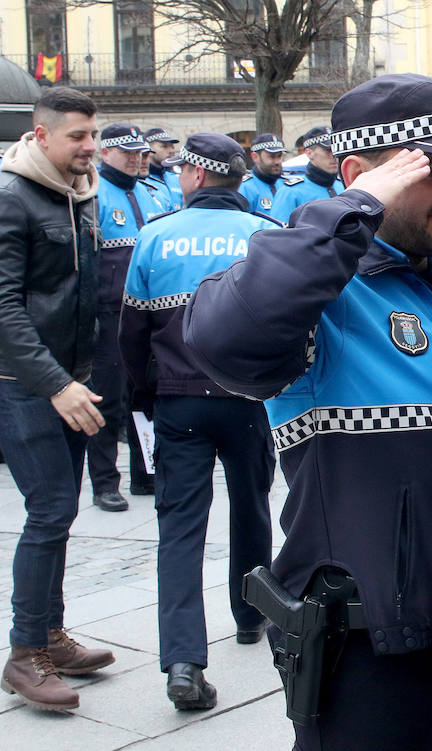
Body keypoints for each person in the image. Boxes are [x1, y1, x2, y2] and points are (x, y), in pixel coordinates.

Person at [182, 73, 432, 750]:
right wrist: (350, 209)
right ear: (363, 176)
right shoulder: (319, 294)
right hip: (369, 654)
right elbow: (225, 338)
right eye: (428, 171)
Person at [118, 133, 278, 711]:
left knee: (179, 530)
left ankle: (183, 661)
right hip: (249, 399)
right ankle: (252, 614)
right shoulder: (264, 235)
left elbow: (131, 332)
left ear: (192, 176)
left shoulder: (155, 236)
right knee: (253, 505)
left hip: (179, 400)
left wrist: (144, 392)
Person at [0, 86, 116, 712]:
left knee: (61, 513)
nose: (89, 147)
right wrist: (57, 383)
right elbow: (3, 309)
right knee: (48, 512)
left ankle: (50, 633)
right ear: (41, 136)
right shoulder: (10, 196)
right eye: (77, 136)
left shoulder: (78, 193)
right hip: (24, 385)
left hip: (71, 380)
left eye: (93, 135)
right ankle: (24, 656)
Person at [91, 122, 164, 512]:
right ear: (106, 153)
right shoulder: (94, 194)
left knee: (146, 393)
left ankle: (145, 473)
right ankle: (105, 481)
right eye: (127, 153)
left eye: (140, 153)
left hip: (152, 310)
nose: (137, 159)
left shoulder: (155, 192)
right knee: (107, 400)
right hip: (111, 312)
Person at [269, 125, 343, 222]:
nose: (334, 155)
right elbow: (277, 234)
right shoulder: (290, 192)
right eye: (328, 150)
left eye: (336, 149)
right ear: (309, 153)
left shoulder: (343, 186)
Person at [238, 132, 290, 214]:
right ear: (255, 157)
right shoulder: (245, 188)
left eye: (279, 156)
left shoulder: (287, 185)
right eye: (271, 156)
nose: (277, 161)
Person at [143, 128, 183, 210]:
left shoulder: (178, 178)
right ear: (148, 149)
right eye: (164, 146)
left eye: (172, 147)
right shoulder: (141, 181)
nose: (171, 151)